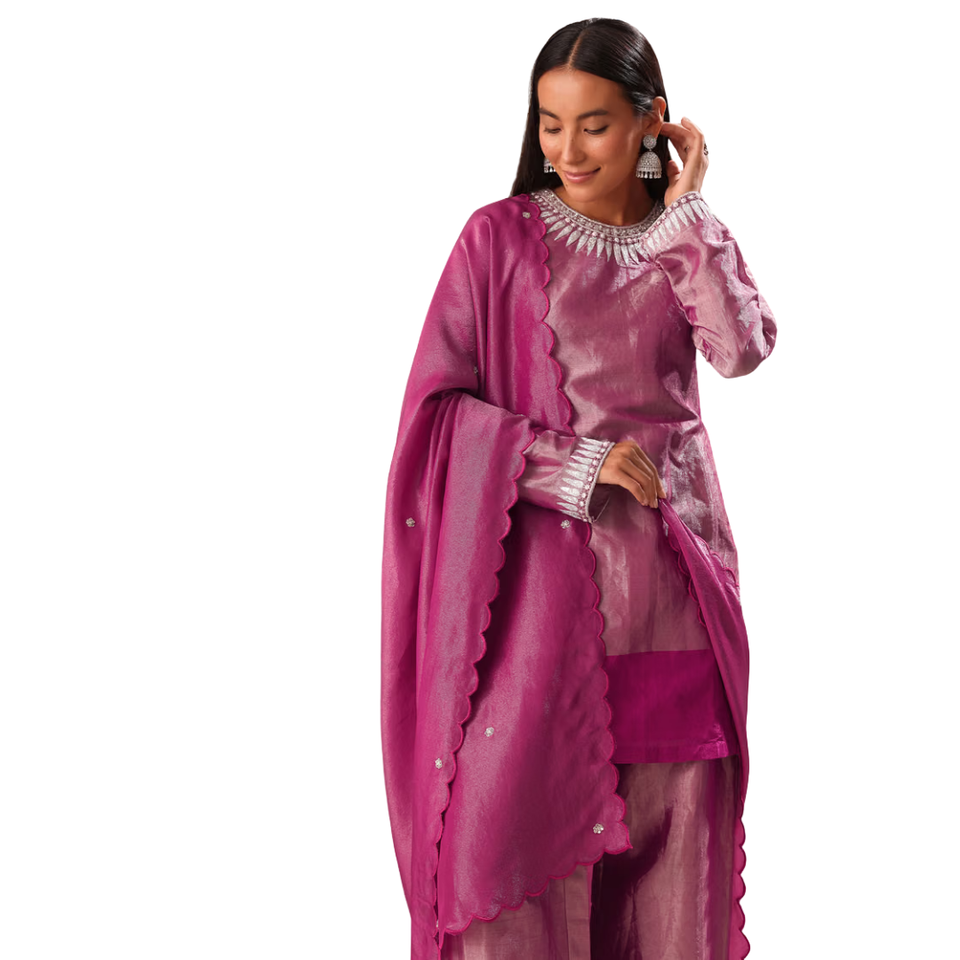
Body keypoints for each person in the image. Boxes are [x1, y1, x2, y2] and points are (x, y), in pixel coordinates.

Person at [381, 18, 776, 960]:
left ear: (651, 121)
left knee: (673, 900)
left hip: (674, 609)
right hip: (535, 629)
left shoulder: (679, 239)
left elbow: (742, 349)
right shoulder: (497, 242)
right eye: (550, 124)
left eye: (594, 125)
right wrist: (570, 466)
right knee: (503, 867)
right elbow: (436, 420)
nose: (567, 149)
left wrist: (685, 213)